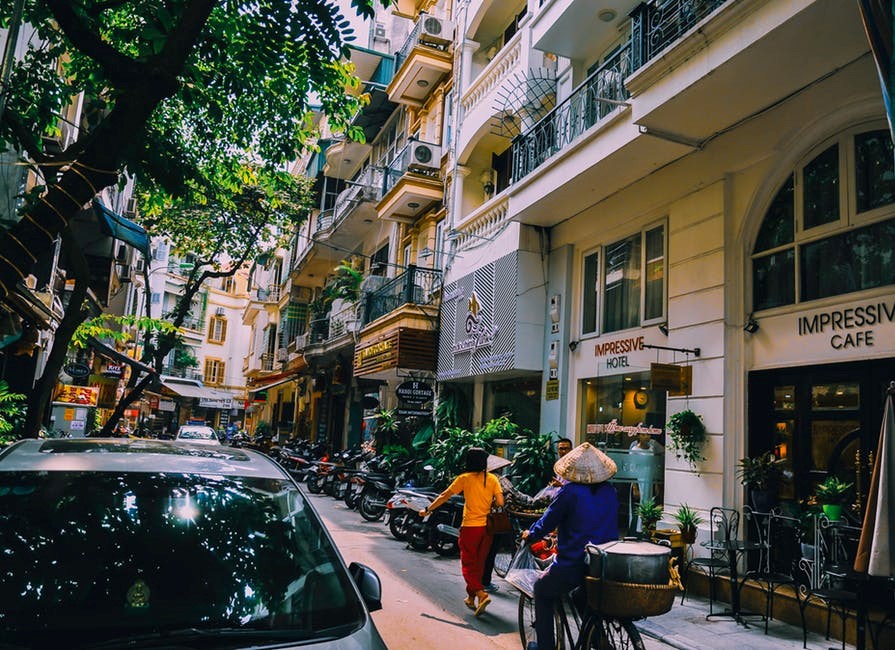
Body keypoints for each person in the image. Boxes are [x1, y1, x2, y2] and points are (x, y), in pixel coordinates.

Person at [521, 442, 619, 650]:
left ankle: (546, 646)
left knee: (541, 588)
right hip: (604, 563)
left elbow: (548, 521)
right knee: (581, 595)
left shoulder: (569, 492)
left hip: (573, 563)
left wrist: (531, 534)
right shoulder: (610, 492)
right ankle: (596, 637)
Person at [419, 447, 504, 617]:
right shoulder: (493, 478)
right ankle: (471, 598)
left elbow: (444, 495)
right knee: (479, 563)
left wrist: (428, 509)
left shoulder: (464, 479)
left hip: (470, 527)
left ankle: (480, 593)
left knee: (467, 563)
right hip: (487, 528)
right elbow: (500, 502)